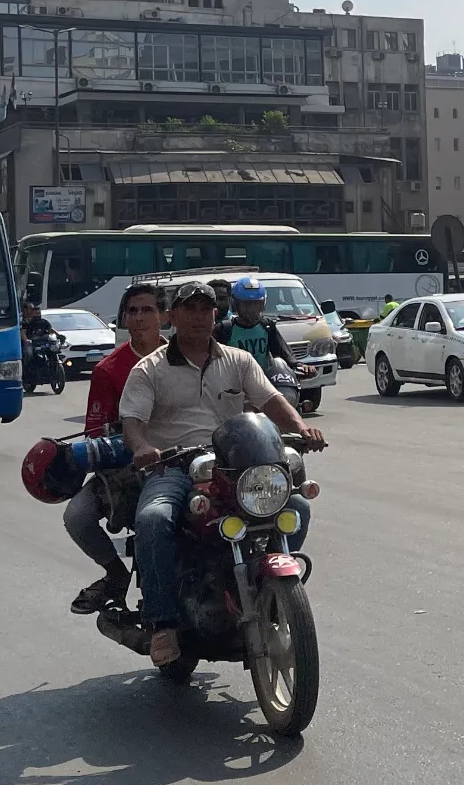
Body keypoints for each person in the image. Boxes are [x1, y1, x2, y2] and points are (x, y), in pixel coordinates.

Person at [120, 280, 319, 667]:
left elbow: (271, 401)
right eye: (188, 309)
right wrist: (142, 447)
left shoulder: (238, 360)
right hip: (173, 467)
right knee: (153, 519)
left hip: (234, 467)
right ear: (172, 316)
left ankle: (266, 592)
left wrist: (301, 426)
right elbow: (132, 420)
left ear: (217, 315)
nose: (197, 317)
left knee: (298, 508)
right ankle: (163, 622)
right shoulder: (150, 370)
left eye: (205, 309)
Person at [61, 282, 166, 614]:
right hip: (129, 467)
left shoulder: (186, 356)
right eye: (132, 311)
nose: (139, 318)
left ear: (164, 315)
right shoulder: (107, 369)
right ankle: (115, 574)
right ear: (123, 318)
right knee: (76, 515)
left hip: (189, 459)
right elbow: (95, 433)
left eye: (147, 309)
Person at [217, 275, 298, 380]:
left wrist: (299, 365)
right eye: (247, 305)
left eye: (257, 305)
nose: (252, 310)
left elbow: (284, 353)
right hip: (235, 387)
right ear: (235, 304)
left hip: (264, 384)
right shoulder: (225, 329)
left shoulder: (266, 326)